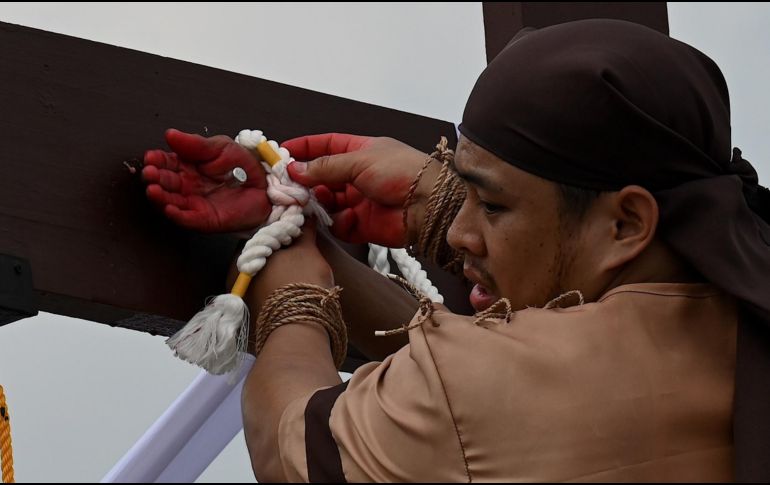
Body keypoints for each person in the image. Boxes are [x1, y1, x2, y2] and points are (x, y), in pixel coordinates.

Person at [142, 19, 770, 482]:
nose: (462, 235)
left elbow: (290, 445)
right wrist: (389, 220)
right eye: (459, 189)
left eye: (491, 205)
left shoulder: (486, 389)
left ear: (627, 223)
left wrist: (291, 289)